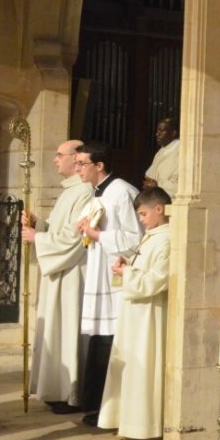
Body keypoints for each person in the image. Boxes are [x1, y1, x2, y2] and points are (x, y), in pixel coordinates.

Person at [74, 142, 144, 423]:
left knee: (110, 340)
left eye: (82, 164)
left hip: (114, 278)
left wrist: (98, 234)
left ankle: (108, 409)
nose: (77, 169)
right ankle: (95, 405)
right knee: (99, 339)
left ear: (99, 166)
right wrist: (86, 230)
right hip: (99, 273)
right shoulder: (98, 195)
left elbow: (136, 238)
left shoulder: (123, 193)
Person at [23, 139, 93, 411]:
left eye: (59, 155)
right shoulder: (69, 192)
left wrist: (37, 237)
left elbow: (74, 239)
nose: (55, 160)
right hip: (59, 270)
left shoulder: (85, 192)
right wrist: (38, 225)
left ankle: (69, 393)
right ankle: (55, 389)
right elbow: (57, 230)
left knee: (66, 328)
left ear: (76, 159)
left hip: (72, 272)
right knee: (54, 329)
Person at [97, 186, 171, 439]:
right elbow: (144, 270)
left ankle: (143, 426)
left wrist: (127, 274)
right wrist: (128, 266)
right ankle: (127, 421)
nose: (140, 220)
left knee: (144, 365)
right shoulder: (154, 235)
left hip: (149, 315)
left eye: (143, 214)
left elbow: (157, 280)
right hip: (136, 313)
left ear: (159, 209)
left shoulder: (167, 239)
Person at [142, 117, 179, 194]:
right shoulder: (161, 151)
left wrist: (158, 185)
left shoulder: (180, 150)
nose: (157, 134)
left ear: (173, 133)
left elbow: (180, 184)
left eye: (162, 131)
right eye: (157, 130)